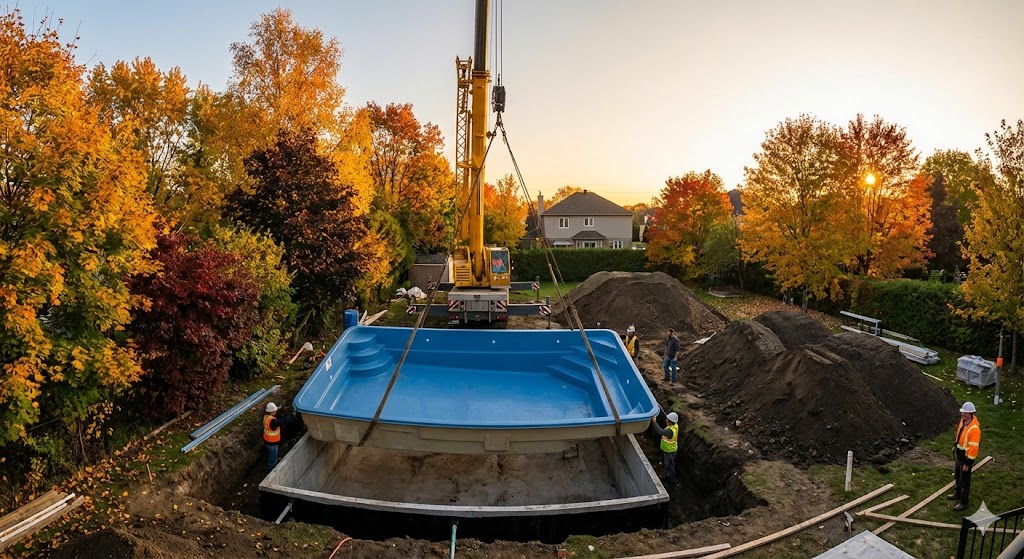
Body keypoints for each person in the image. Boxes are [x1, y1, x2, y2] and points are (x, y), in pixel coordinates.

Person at [948, 401, 981, 511]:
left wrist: (968, 463)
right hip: (959, 454)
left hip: (966, 458)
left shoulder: (975, 429)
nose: (963, 415)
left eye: (965, 413)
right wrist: (955, 445)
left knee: (964, 481)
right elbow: (959, 434)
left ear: (971, 414)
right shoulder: (963, 422)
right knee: (957, 476)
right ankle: (957, 494)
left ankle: (963, 502)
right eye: (963, 413)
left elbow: (973, 449)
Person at [263, 402, 300, 472]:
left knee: (272, 454)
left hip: (267, 441)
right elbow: (284, 421)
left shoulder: (266, 417)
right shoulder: (272, 421)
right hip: (272, 443)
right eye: (274, 410)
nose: (276, 411)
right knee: (273, 455)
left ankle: (271, 465)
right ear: (271, 411)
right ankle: (271, 469)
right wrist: (292, 416)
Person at [650, 411, 679, 490]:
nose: (666, 420)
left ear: (670, 422)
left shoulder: (669, 431)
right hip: (670, 449)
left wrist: (654, 422)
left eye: (667, 420)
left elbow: (660, 431)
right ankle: (669, 477)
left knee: (669, 466)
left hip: (669, 451)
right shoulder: (674, 425)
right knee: (669, 464)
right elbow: (666, 415)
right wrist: (660, 408)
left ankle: (672, 481)